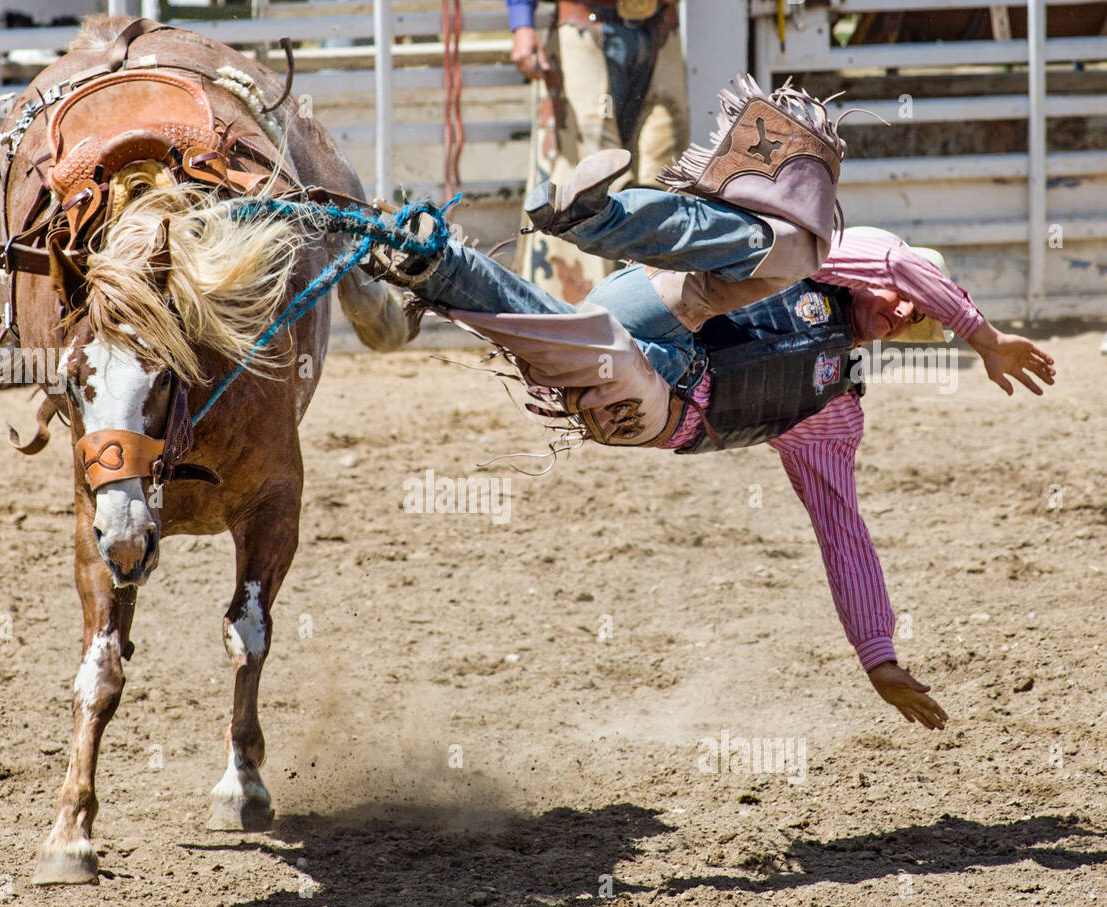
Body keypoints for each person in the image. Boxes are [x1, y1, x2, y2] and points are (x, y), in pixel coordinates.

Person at [369, 80, 1055, 730]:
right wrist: (982, 336)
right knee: (791, 250)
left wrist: (877, 653)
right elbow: (894, 264)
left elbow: (843, 532)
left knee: (592, 344)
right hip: (667, 306)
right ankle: (593, 215)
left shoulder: (832, 416)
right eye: (913, 299)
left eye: (916, 321)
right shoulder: (843, 258)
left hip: (661, 398)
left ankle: (440, 265)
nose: (903, 310)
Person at [509, 0, 687, 302]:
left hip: (662, 26)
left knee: (663, 175)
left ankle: (659, 308)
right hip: (583, 26)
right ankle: (580, 313)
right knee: (590, 178)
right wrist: (522, 22)